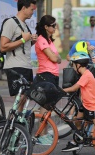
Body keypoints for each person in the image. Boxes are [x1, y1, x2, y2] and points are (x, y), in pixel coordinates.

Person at [61, 51, 95, 155]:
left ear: (78, 65)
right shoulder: (85, 74)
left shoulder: (86, 75)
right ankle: (77, 141)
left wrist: (60, 91)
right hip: (85, 104)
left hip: (93, 106)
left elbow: (74, 88)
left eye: (73, 64)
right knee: (77, 120)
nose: (73, 66)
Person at [0, 0, 37, 111]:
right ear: (23, 8)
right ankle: (12, 125)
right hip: (15, 67)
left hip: (26, 66)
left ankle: (17, 125)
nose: (32, 12)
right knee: (19, 98)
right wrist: (23, 39)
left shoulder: (24, 25)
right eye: (31, 9)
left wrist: (31, 42)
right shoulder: (10, 23)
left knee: (24, 98)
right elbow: (3, 46)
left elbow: (21, 48)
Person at [34, 15, 61, 144]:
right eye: (53, 25)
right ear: (46, 27)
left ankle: (44, 133)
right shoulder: (41, 40)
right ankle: (40, 135)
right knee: (45, 106)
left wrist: (56, 57)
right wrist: (56, 57)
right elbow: (55, 58)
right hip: (46, 74)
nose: (55, 27)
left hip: (53, 75)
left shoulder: (50, 41)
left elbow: (58, 57)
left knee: (49, 106)